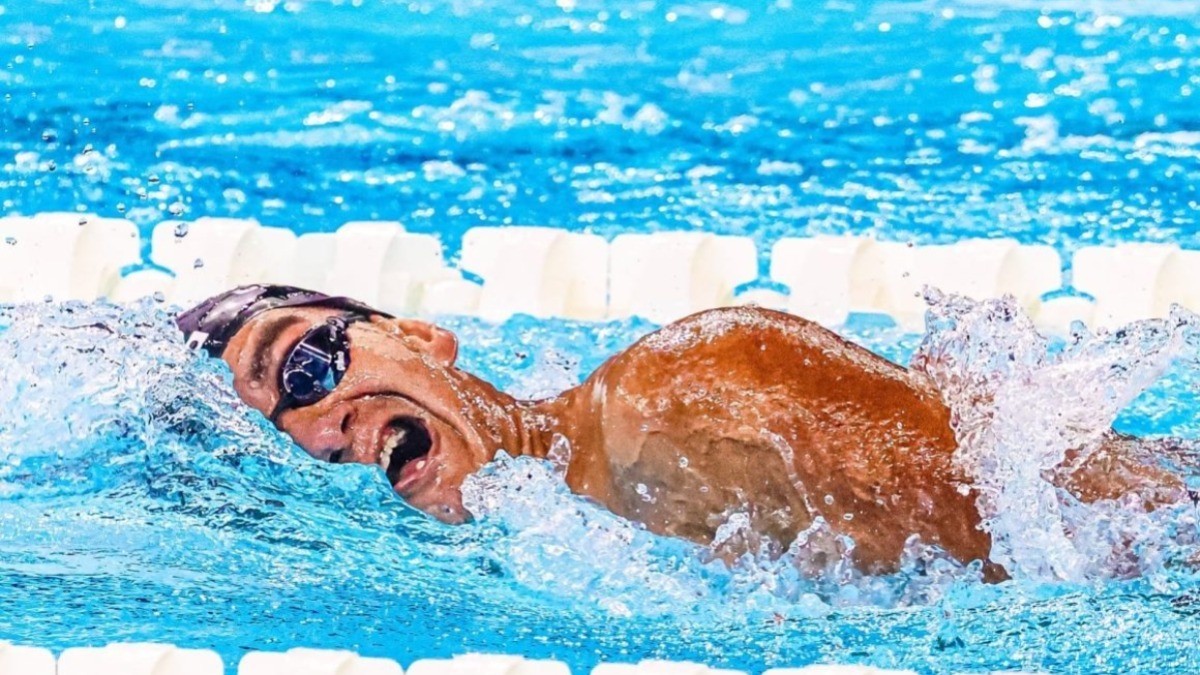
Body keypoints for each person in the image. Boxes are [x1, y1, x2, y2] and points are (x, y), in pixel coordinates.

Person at [176, 284, 1191, 579]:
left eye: (304, 366)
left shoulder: (681, 396)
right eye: (283, 432)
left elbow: (1068, 553)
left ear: (422, 338)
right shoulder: (566, 527)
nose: (316, 428)